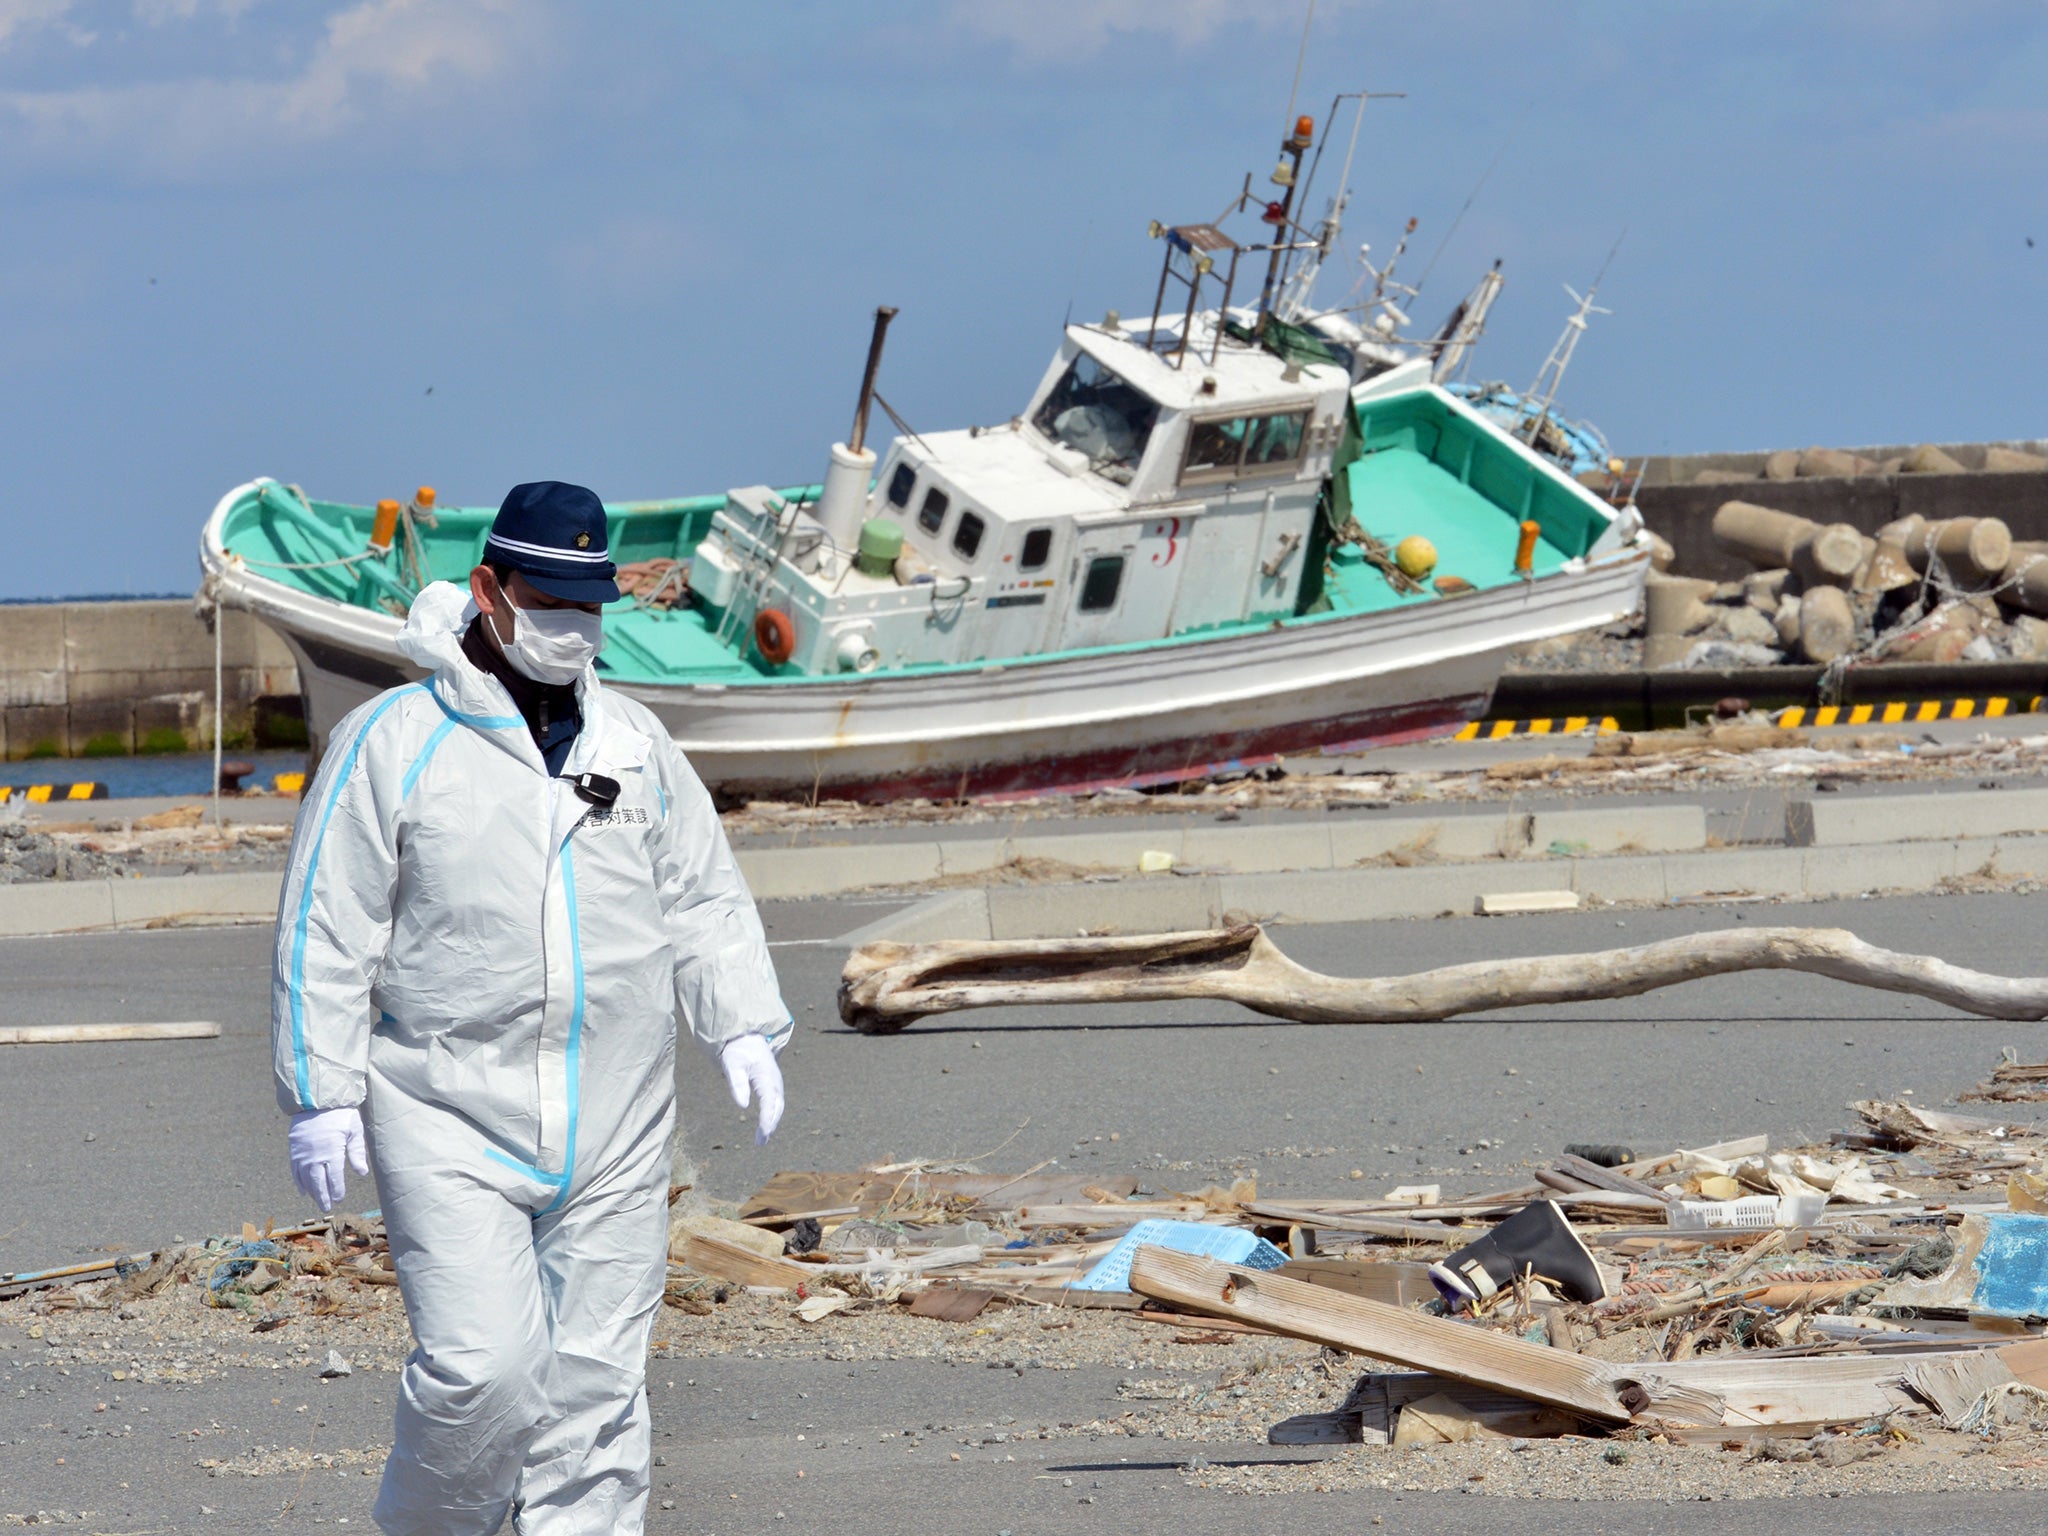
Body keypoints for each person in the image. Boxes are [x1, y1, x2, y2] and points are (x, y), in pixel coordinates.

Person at [269, 480, 790, 1535]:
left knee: (596, 1388)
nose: (570, 628)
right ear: (489, 591)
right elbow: (330, 924)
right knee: (483, 1375)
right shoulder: (393, 740)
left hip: (618, 1115)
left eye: (586, 606)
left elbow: (699, 892)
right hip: (443, 1109)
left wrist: (739, 1020)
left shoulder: (634, 742)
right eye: (548, 602)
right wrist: (320, 1091)